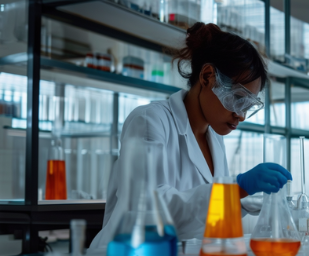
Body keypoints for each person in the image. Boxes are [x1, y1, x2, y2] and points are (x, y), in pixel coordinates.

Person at [89, 22, 292, 249]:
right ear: (207, 77)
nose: (241, 115)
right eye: (237, 98)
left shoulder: (214, 139)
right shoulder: (149, 121)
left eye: (247, 105)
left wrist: (255, 200)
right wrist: (238, 189)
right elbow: (150, 211)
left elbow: (206, 217)